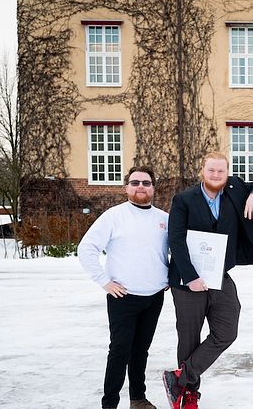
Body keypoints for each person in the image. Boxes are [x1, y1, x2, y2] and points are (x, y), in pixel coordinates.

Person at [163, 152, 253, 409]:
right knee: (189, 339)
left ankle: (179, 378)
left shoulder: (234, 190)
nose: (215, 175)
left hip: (220, 277)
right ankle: (188, 394)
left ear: (227, 173)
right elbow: (175, 240)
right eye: (211, 170)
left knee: (227, 332)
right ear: (203, 170)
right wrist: (190, 277)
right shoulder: (184, 200)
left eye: (220, 171)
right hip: (188, 283)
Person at [78, 165, 168, 409]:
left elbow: (175, 250)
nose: (141, 187)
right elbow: (86, 248)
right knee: (120, 350)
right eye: (136, 182)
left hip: (154, 296)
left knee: (141, 351)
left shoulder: (163, 219)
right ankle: (110, 404)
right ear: (126, 187)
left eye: (146, 183)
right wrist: (104, 282)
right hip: (123, 297)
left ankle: (138, 399)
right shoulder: (114, 216)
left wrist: (170, 276)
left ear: (153, 188)